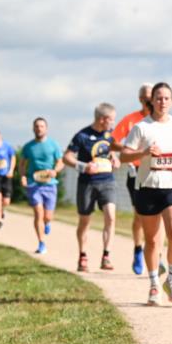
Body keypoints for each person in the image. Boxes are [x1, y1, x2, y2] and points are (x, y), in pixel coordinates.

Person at [120, 83, 172, 304]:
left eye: (166, 98)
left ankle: (171, 279)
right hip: (148, 187)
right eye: (158, 98)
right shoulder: (142, 127)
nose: (162, 102)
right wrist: (143, 153)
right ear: (151, 101)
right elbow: (124, 155)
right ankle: (153, 285)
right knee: (151, 240)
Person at [64, 103, 119, 272]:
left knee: (110, 216)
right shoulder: (82, 136)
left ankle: (106, 256)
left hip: (107, 181)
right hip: (87, 183)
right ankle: (83, 255)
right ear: (102, 119)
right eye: (111, 120)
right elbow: (67, 157)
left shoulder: (111, 135)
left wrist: (115, 159)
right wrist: (83, 166)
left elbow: (112, 153)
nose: (113, 123)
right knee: (85, 221)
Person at [110, 83, 158, 274]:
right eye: (146, 97)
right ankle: (138, 248)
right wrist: (130, 151)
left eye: (152, 96)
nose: (149, 100)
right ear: (140, 99)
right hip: (136, 173)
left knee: (159, 214)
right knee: (140, 215)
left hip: (158, 172)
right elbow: (112, 142)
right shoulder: (131, 121)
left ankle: (154, 249)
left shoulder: (161, 120)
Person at [19, 117, 64, 254]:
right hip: (34, 183)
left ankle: (48, 222)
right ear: (33, 129)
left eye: (42, 126)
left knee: (47, 216)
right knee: (38, 213)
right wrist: (23, 176)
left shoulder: (53, 145)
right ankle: (41, 243)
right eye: (37, 126)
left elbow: (60, 162)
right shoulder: (28, 147)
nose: (39, 128)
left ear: (46, 128)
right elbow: (22, 164)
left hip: (50, 184)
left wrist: (55, 171)